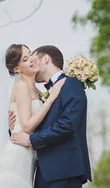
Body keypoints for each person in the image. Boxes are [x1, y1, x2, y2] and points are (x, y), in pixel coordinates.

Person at [0, 44, 64, 188]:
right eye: (25, 59)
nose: (32, 59)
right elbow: (27, 126)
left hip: (28, 156)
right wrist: (51, 98)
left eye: (30, 54)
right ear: (17, 69)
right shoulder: (22, 86)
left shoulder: (34, 89)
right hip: (17, 155)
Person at [10, 45, 92, 188]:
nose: (32, 62)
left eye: (33, 58)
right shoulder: (41, 93)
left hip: (65, 170)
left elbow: (68, 124)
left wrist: (30, 139)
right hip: (42, 171)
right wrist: (14, 129)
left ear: (46, 59)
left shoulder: (71, 84)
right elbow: (35, 123)